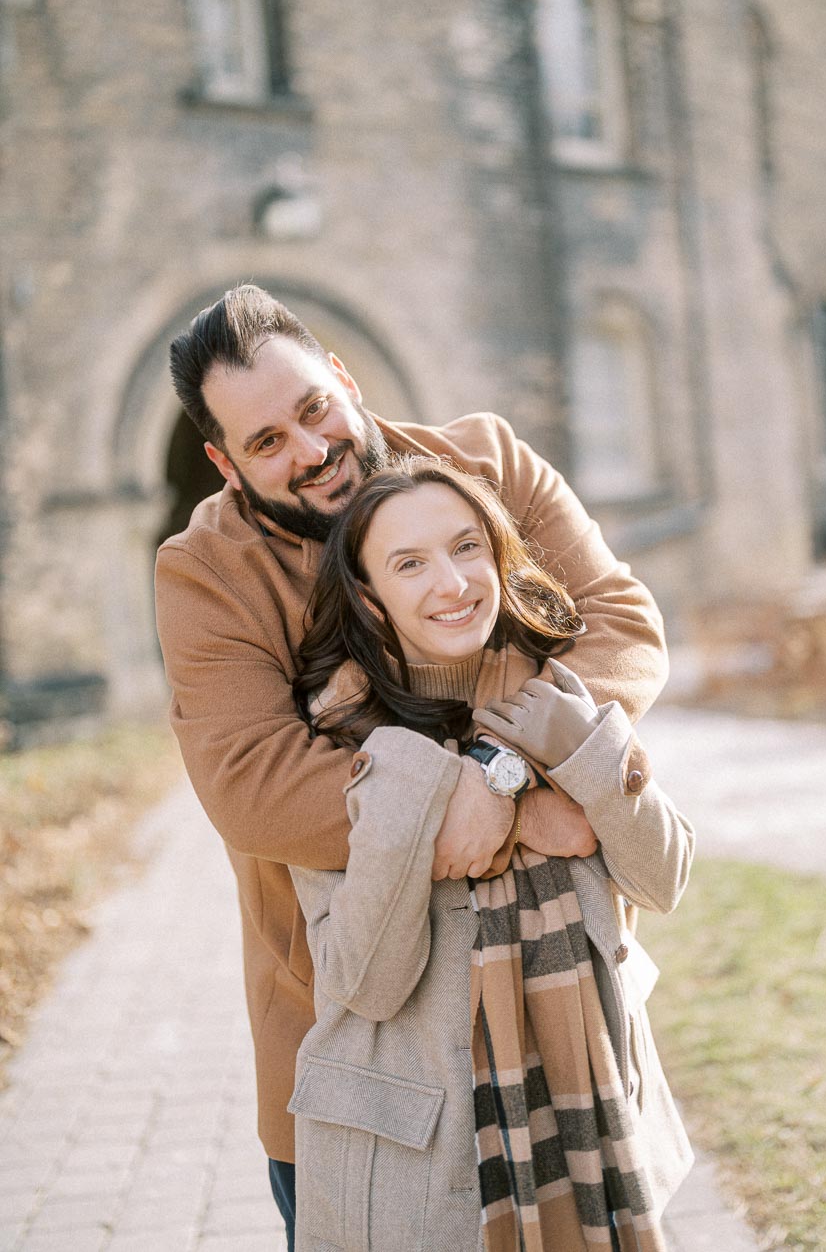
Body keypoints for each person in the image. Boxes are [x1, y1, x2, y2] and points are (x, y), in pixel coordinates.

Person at [155, 284, 671, 1245]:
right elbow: (256, 789)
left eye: (313, 409)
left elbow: (620, 630)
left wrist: (500, 764)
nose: (310, 450)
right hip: (369, 1046)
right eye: (267, 441)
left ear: (344, 380)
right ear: (225, 464)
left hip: (566, 1000)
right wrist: (509, 808)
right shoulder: (205, 571)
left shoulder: (489, 462)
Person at [288, 456, 694, 1251]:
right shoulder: (343, 746)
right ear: (370, 598)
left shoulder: (562, 696)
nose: (453, 583)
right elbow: (365, 984)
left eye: (466, 546)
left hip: (596, 1105)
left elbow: (665, 877)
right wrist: (451, 789)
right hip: (433, 1154)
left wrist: (583, 764)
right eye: (409, 563)